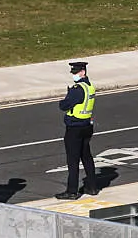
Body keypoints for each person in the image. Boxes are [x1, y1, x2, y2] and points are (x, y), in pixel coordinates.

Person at [55, 61, 98, 200]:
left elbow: (64, 105)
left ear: (83, 72)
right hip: (87, 125)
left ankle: (72, 191)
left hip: (75, 127)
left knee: (73, 160)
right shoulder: (90, 86)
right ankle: (92, 187)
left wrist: (66, 98)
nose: (74, 75)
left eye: (76, 72)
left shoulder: (77, 89)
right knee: (86, 156)